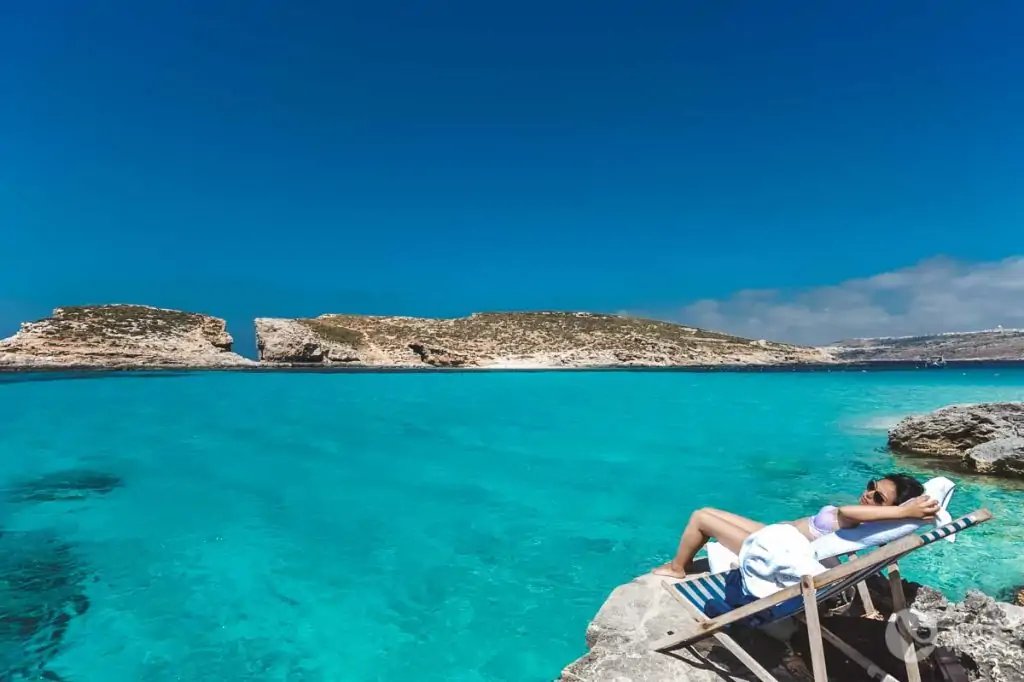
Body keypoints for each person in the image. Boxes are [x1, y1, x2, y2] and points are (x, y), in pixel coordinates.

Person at [652, 473, 937, 579]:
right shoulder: (867, 517)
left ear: (890, 508)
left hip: (771, 550)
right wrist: (900, 511)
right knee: (707, 511)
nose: (868, 493)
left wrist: (904, 511)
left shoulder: (857, 516)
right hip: (772, 536)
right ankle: (681, 562)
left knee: (700, 518)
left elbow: (846, 510)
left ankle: (678, 569)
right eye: (871, 485)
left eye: (877, 497)